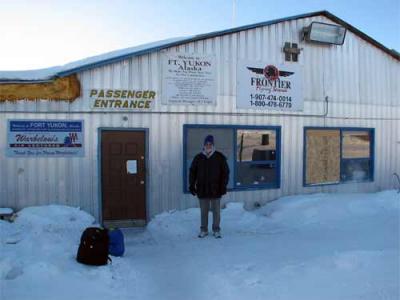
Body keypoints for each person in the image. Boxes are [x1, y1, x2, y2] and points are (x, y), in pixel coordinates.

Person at [189, 135, 230, 238]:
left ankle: (216, 229)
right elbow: (192, 172)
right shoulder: (198, 158)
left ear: (213, 145)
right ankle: (204, 230)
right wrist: (191, 185)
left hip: (216, 189)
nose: (208, 146)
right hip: (202, 189)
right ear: (204, 145)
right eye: (206, 144)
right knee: (204, 212)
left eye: (210, 144)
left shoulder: (219, 157)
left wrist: (223, 186)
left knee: (216, 212)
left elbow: (226, 172)